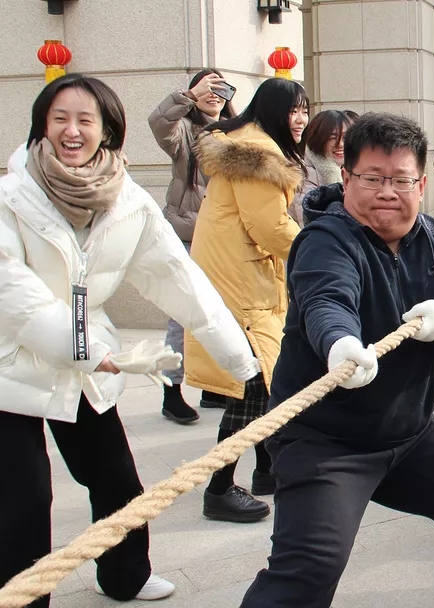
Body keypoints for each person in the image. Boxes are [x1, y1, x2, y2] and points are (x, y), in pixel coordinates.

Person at [239, 112, 434, 608]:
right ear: (346, 178)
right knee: (310, 568)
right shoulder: (324, 240)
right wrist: (339, 344)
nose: (387, 192)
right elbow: (327, 299)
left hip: (410, 432)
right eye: (372, 178)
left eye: (401, 180)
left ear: (422, 184)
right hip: (325, 440)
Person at [0, 74, 260, 608]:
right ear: (41, 126)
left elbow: (179, 278)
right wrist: (88, 350)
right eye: (59, 119)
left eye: (85, 120)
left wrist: (241, 362)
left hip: (84, 360)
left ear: (108, 130)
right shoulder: (10, 196)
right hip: (11, 359)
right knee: (23, 497)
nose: (72, 131)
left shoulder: (128, 201)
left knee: (116, 478)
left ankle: (125, 576)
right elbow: (14, 293)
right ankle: (23, 600)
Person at [185, 78, 307, 523]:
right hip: (241, 284)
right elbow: (270, 227)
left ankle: (267, 471)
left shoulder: (246, 144)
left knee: (264, 380)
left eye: (305, 110)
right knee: (251, 387)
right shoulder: (259, 155)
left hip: (237, 277)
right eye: (293, 110)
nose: (301, 119)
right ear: (273, 111)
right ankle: (219, 489)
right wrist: (319, 250)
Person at [148, 68, 236, 423]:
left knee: (225, 312)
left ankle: (214, 386)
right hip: (190, 234)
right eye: (207, 87)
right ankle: (171, 390)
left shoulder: (237, 131)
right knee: (184, 314)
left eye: (221, 87)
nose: (214, 93)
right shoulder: (184, 130)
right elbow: (159, 124)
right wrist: (187, 97)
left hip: (227, 237)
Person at [293, 109, 358, 225]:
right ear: (318, 140)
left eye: (345, 137)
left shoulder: (349, 171)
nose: (340, 144)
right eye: (332, 138)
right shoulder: (304, 182)